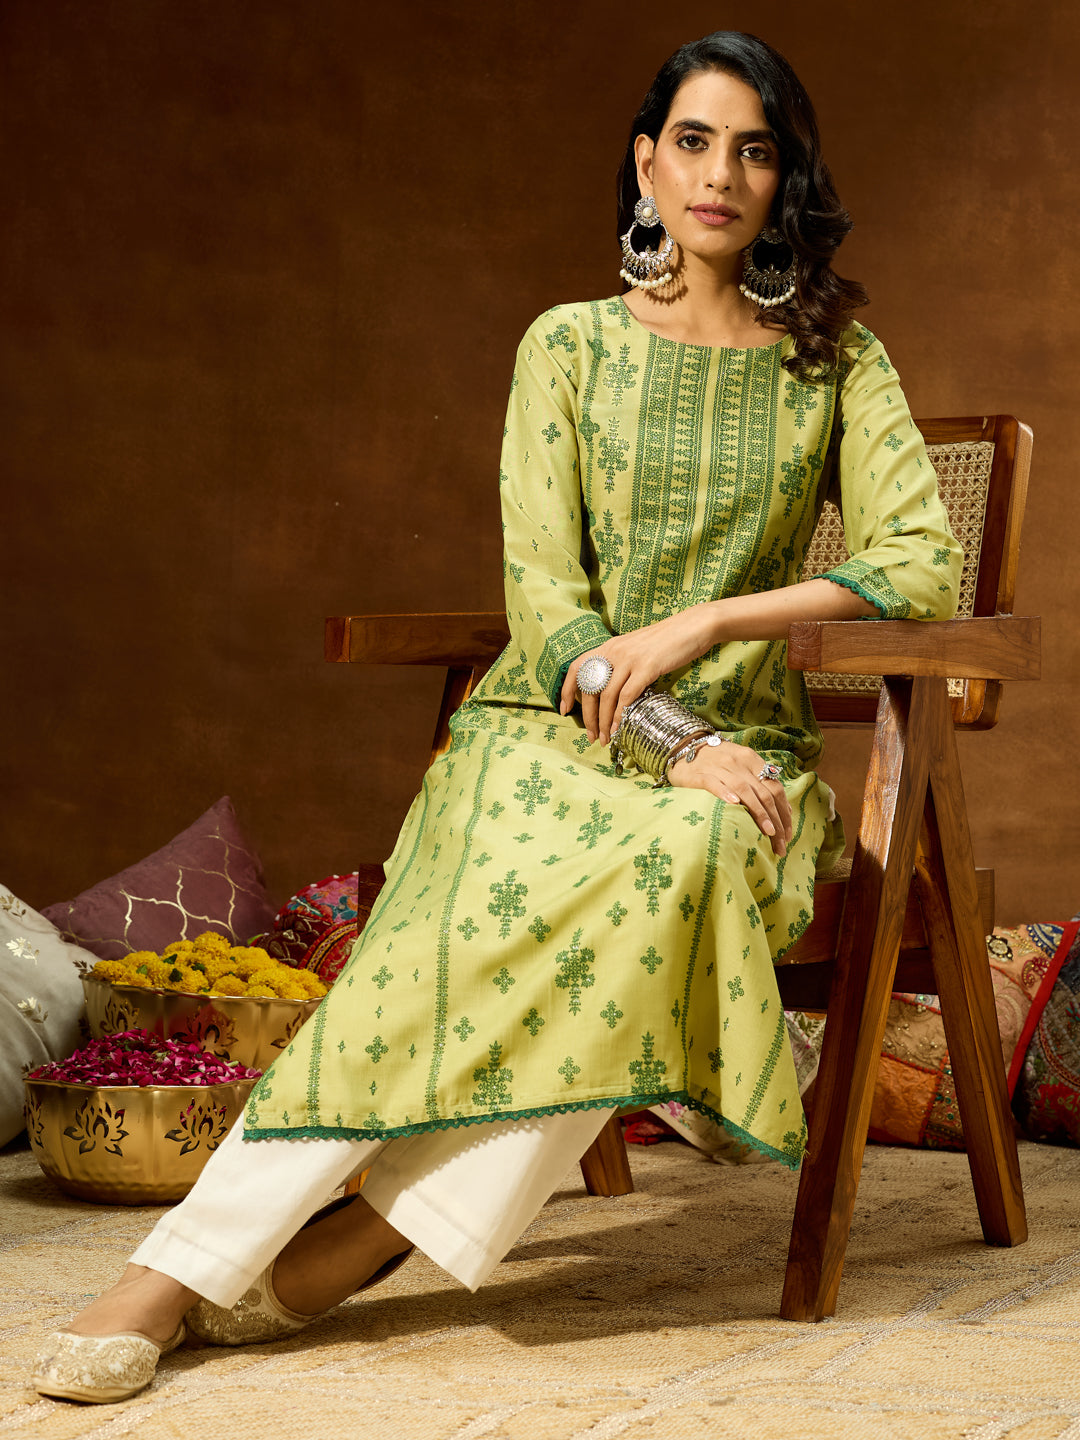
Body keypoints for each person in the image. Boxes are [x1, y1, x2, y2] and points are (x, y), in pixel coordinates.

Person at [33, 30, 961, 1403]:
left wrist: (712, 625)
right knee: (514, 902)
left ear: (786, 180)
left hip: (745, 758)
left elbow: (923, 564)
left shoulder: (836, 364)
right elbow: (546, 597)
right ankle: (178, 1269)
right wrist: (660, 736)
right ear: (646, 164)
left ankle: (365, 1239)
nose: (721, 174)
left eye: (755, 150)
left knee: (688, 857)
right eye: (694, 142)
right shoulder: (569, 347)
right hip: (554, 735)